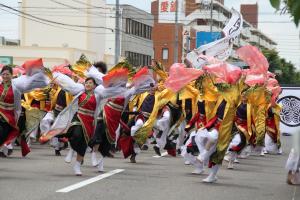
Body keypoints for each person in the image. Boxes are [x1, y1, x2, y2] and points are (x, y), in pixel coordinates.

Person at [0, 63, 49, 157]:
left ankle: (6, 147)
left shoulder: (17, 85)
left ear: (11, 75)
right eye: (3, 74)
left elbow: (31, 85)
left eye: (7, 74)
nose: (5, 76)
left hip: (11, 114)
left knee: (6, 134)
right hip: (1, 111)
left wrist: (40, 76)